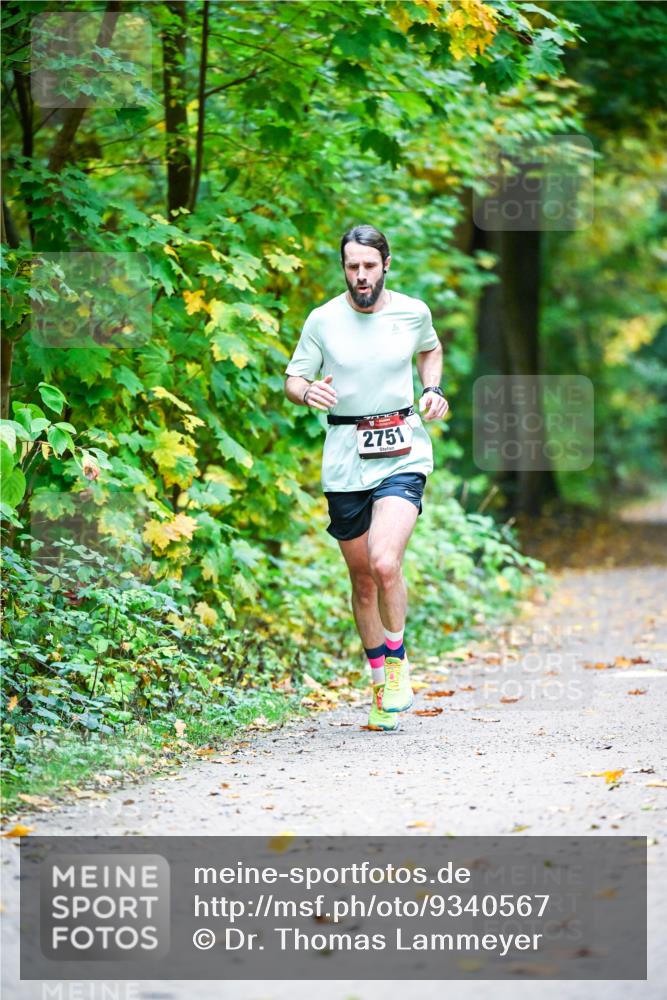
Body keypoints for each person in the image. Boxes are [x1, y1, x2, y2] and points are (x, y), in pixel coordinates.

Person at [284, 224, 448, 731]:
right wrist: (306, 392)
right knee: (361, 581)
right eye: (352, 266)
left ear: (386, 265)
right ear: (344, 268)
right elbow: (293, 378)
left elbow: (431, 348)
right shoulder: (323, 319)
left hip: (403, 451)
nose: (361, 275)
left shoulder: (412, 312)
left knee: (384, 561)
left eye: (369, 266)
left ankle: (397, 664)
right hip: (344, 458)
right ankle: (380, 687)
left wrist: (433, 389)